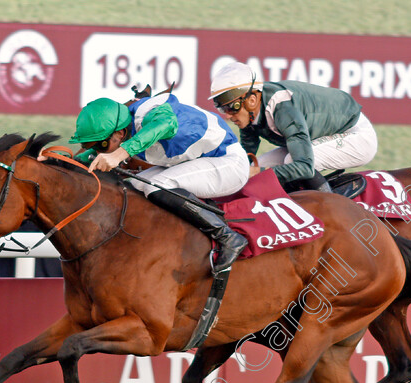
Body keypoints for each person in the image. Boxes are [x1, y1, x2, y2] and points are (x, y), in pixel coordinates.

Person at [69, 95, 250, 273]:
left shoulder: (149, 112)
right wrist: (59, 162)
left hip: (229, 163)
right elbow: (87, 157)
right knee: (133, 188)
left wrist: (119, 154)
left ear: (120, 133)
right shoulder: (123, 126)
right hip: (199, 162)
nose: (98, 151)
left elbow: (166, 124)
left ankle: (227, 237)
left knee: (156, 185)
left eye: (101, 145)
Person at [208, 62, 378, 192]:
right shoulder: (248, 112)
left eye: (231, 108)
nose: (228, 116)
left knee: (288, 164)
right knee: (258, 167)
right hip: (318, 135)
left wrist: (260, 172)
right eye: (222, 108)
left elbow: (304, 167)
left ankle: (334, 211)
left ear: (252, 100)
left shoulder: (283, 108)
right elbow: (246, 157)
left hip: (355, 135)